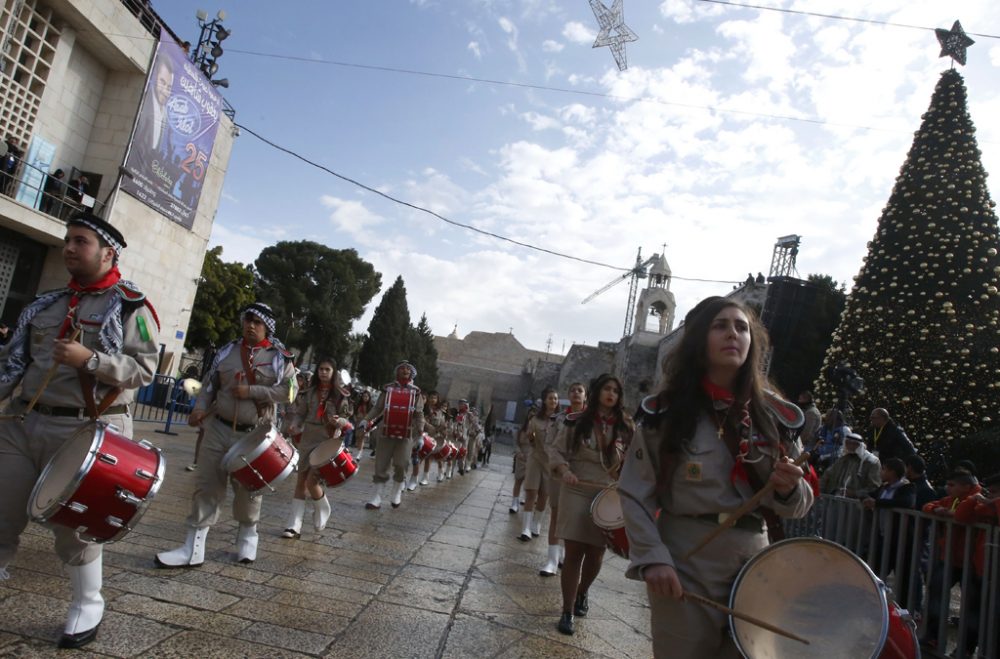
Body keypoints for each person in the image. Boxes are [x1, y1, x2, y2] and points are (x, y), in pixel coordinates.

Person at [618, 296, 813, 658]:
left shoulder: (775, 416)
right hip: (686, 558)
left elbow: (799, 504)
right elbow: (634, 491)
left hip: (756, 564)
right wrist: (653, 557)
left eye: (741, 327)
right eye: (720, 326)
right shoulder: (666, 413)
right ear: (698, 339)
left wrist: (789, 489)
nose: (733, 334)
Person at [0, 212, 159, 649]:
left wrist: (91, 360)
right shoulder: (46, 304)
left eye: (81, 241)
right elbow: (15, 363)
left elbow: (143, 371)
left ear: (108, 253)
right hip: (22, 422)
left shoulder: (133, 308)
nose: (69, 247)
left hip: (86, 430)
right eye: (68, 239)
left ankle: (88, 600)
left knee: (75, 527)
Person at [156, 302, 294, 568]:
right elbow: (209, 385)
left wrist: (252, 391)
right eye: (248, 320)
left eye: (257, 322)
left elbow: (289, 393)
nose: (251, 325)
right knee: (206, 485)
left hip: (254, 436)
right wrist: (199, 408)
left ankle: (247, 537)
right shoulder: (227, 351)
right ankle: (192, 549)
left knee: (248, 491)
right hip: (217, 429)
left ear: (267, 327)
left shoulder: (279, 358)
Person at [548, 374, 634, 636]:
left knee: (596, 553)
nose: (611, 394)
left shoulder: (626, 426)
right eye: (606, 389)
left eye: (616, 391)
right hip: (576, 487)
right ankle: (566, 610)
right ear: (597, 392)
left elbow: (637, 460)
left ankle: (582, 592)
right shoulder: (576, 422)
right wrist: (564, 471)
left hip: (607, 492)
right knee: (574, 551)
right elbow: (556, 450)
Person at [281, 359, 352, 538]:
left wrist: (339, 422)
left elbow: (346, 421)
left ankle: (322, 506)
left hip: (327, 440)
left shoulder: (340, 396)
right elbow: (300, 414)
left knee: (312, 481)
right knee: (301, 480)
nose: (323, 372)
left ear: (333, 372)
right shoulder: (309, 393)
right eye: (321, 369)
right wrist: (295, 425)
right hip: (308, 438)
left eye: (327, 369)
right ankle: (293, 525)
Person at [920, 470, 981, 650]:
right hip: (949, 557)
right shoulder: (951, 499)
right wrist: (936, 509)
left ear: (966, 487)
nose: (947, 488)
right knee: (936, 594)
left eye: (952, 485)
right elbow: (927, 505)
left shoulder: (976, 499)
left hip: (969, 562)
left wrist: (950, 514)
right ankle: (934, 637)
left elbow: (963, 515)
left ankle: (966, 648)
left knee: (971, 606)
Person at [359, 361, 424, 509]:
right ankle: (376, 497)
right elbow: (377, 408)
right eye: (402, 368)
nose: (405, 370)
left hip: (406, 433)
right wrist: (366, 419)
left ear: (412, 373)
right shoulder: (387, 389)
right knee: (381, 463)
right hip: (386, 431)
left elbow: (419, 415)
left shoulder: (416, 392)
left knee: (401, 464)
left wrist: (420, 433)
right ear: (397, 372)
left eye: (408, 369)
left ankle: (396, 490)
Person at [539, 381, 587, 577]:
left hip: (582, 475)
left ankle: (568, 556)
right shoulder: (559, 418)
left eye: (580, 390)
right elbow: (549, 445)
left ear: (586, 396)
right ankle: (551, 559)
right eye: (573, 390)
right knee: (557, 517)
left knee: (576, 519)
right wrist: (560, 466)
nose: (576, 393)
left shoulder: (592, 420)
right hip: (559, 473)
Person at [862, 458, 916, 593]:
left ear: (892, 472)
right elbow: (869, 494)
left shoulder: (907, 487)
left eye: (884, 469)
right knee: (875, 572)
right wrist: (865, 499)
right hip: (883, 536)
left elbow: (906, 502)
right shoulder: (884, 487)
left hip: (900, 539)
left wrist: (877, 503)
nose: (881, 472)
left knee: (903, 577)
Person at [519, 388, 559, 542]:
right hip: (536, 458)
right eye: (550, 398)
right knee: (531, 492)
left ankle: (537, 522)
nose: (553, 401)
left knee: (544, 494)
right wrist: (530, 437)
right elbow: (531, 439)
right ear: (544, 401)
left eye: (555, 399)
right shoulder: (535, 419)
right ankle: (526, 528)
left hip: (551, 462)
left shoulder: (560, 420)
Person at [819, 429, 881, 498]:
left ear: (860, 445)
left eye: (854, 444)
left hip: (857, 503)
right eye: (848, 443)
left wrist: (855, 493)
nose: (851, 446)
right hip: (835, 498)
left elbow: (874, 488)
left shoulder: (870, 462)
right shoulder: (842, 459)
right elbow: (827, 476)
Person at [510, 411, 533, 513]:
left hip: (533, 458)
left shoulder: (539, 431)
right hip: (521, 457)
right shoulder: (520, 431)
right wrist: (519, 453)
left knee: (530, 482)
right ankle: (514, 502)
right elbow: (516, 443)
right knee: (518, 480)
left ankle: (526, 498)